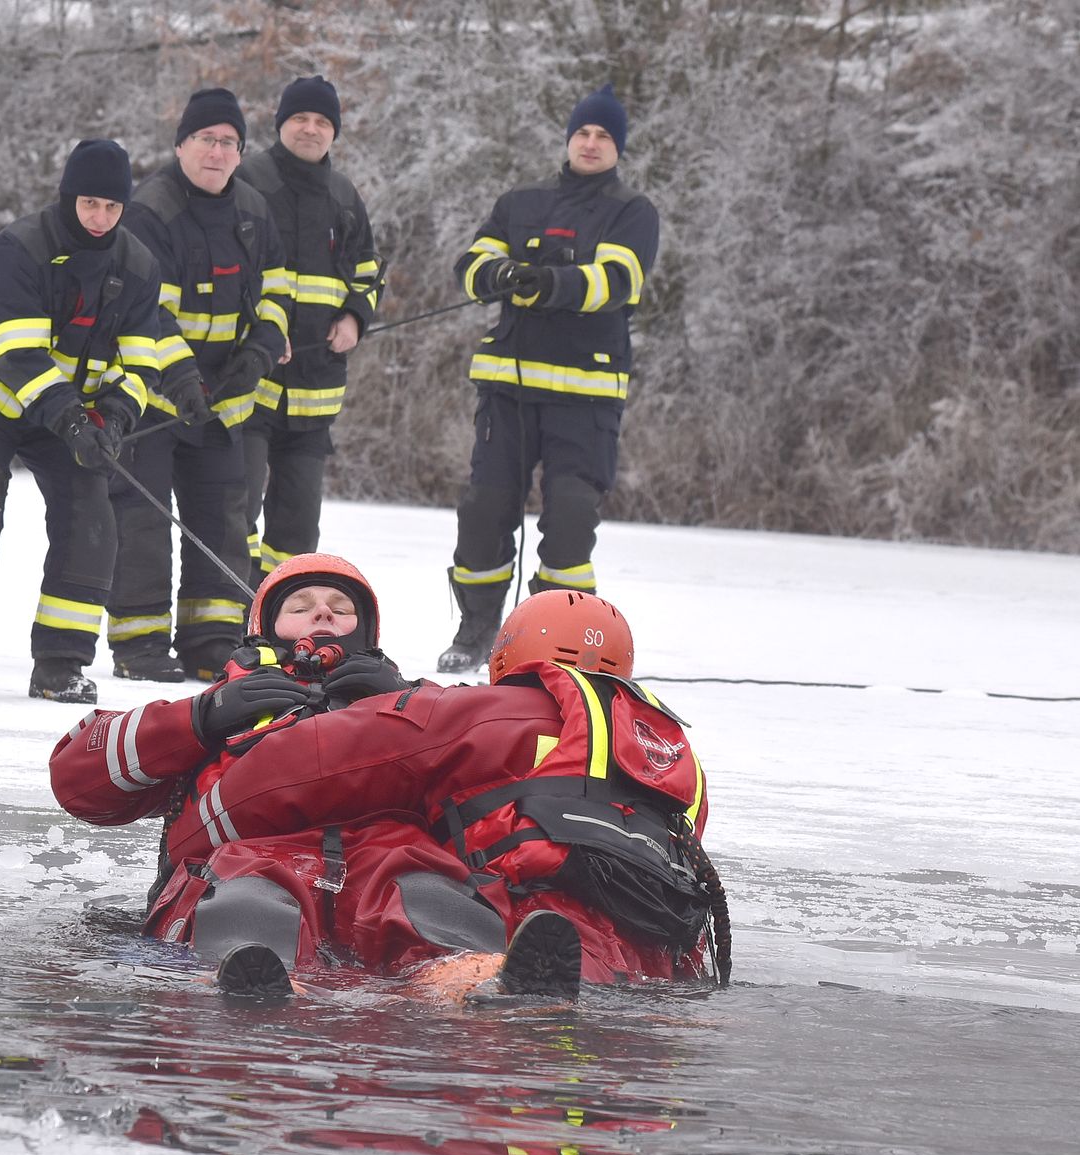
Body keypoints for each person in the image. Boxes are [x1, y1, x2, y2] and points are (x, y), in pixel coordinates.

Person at [162, 589, 729, 993]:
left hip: (538, 902)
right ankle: (482, 986)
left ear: (509, 654)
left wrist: (196, 832)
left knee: (429, 900)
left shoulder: (479, 710)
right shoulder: (675, 749)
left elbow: (316, 760)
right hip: (663, 941)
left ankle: (456, 983)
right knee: (558, 968)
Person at [50, 553, 523, 996]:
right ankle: (252, 979)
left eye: (341, 608)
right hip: (243, 855)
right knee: (246, 901)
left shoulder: (415, 701)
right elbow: (79, 779)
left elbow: (499, 772)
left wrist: (411, 704)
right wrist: (199, 718)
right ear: (265, 627)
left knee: (431, 892)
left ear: (367, 631)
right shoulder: (219, 707)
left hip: (389, 851)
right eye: (301, 606)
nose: (323, 614)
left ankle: (471, 983)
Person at [0, 139, 160, 703]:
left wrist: (115, 420)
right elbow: (18, 356)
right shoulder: (19, 249)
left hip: (66, 412)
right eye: (89, 204)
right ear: (68, 197)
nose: (100, 218)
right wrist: (74, 420)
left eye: (112, 207)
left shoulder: (139, 266)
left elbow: (142, 361)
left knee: (91, 508)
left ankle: (61, 662)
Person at [439, 83, 660, 674]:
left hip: (586, 398)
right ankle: (477, 626)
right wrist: (501, 273)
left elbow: (616, 281)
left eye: (604, 136)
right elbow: (470, 266)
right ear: (569, 139)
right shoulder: (521, 202)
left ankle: (557, 638)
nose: (591, 144)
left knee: (568, 519)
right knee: (484, 511)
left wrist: (551, 283)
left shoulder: (632, 212)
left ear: (619, 148)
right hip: (507, 390)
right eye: (583, 132)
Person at [106, 88, 291, 684]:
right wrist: (182, 376)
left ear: (240, 153)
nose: (217, 151)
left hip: (225, 402)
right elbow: (146, 310)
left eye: (228, 142)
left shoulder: (255, 210)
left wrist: (261, 349)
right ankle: (139, 643)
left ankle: (212, 640)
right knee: (142, 521)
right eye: (206, 139)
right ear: (182, 145)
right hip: (154, 399)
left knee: (224, 521)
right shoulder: (150, 210)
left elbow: (277, 290)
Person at [234, 76, 384, 587]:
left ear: (334, 133)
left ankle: (278, 611)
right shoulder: (248, 181)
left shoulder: (344, 195)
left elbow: (367, 268)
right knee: (237, 507)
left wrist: (355, 318)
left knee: (297, 525)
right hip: (249, 384)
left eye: (322, 122)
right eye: (301, 118)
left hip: (316, 391)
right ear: (281, 124)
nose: (311, 129)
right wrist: (261, 332)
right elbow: (227, 268)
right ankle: (230, 613)